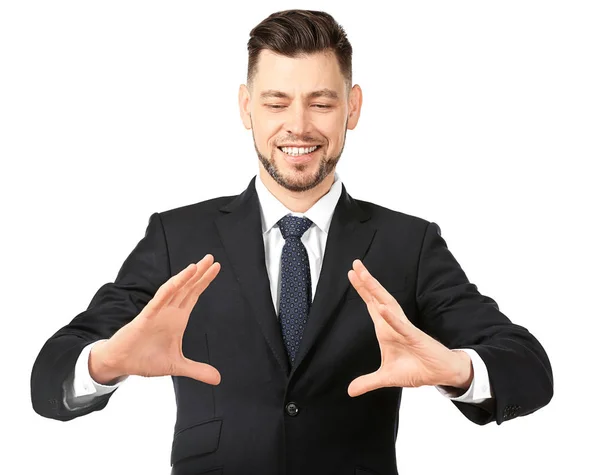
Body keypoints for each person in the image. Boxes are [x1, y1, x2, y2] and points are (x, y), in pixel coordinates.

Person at [30, 9, 553, 475]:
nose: (297, 126)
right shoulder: (177, 236)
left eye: (321, 103)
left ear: (353, 108)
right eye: (276, 102)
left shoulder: (407, 244)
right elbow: (49, 374)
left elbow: (529, 367)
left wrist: (456, 369)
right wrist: (104, 363)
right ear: (246, 108)